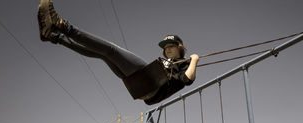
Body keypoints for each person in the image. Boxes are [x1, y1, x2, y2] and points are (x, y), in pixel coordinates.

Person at [37, 0, 199, 105]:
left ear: (180, 47)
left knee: (111, 49)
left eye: (171, 45)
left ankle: (61, 25)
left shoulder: (185, 63)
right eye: (165, 46)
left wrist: (194, 59)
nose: (167, 48)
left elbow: (187, 79)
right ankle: (54, 37)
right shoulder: (168, 63)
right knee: (103, 54)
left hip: (150, 84)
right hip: (141, 87)